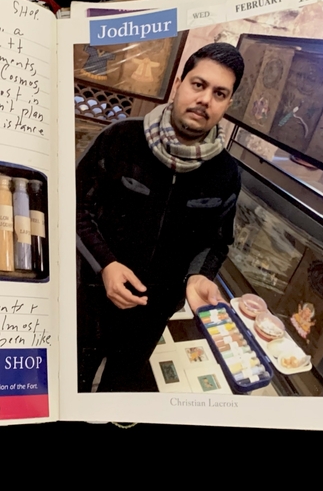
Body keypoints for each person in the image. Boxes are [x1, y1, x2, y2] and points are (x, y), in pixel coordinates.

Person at [76, 42, 244, 392]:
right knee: (74, 373)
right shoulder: (120, 138)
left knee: (120, 385)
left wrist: (199, 276)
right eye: (198, 85)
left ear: (228, 103)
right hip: (92, 295)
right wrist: (105, 264)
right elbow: (76, 208)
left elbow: (218, 241)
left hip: (154, 311)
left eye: (219, 93)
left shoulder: (226, 173)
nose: (205, 99)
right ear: (179, 82)